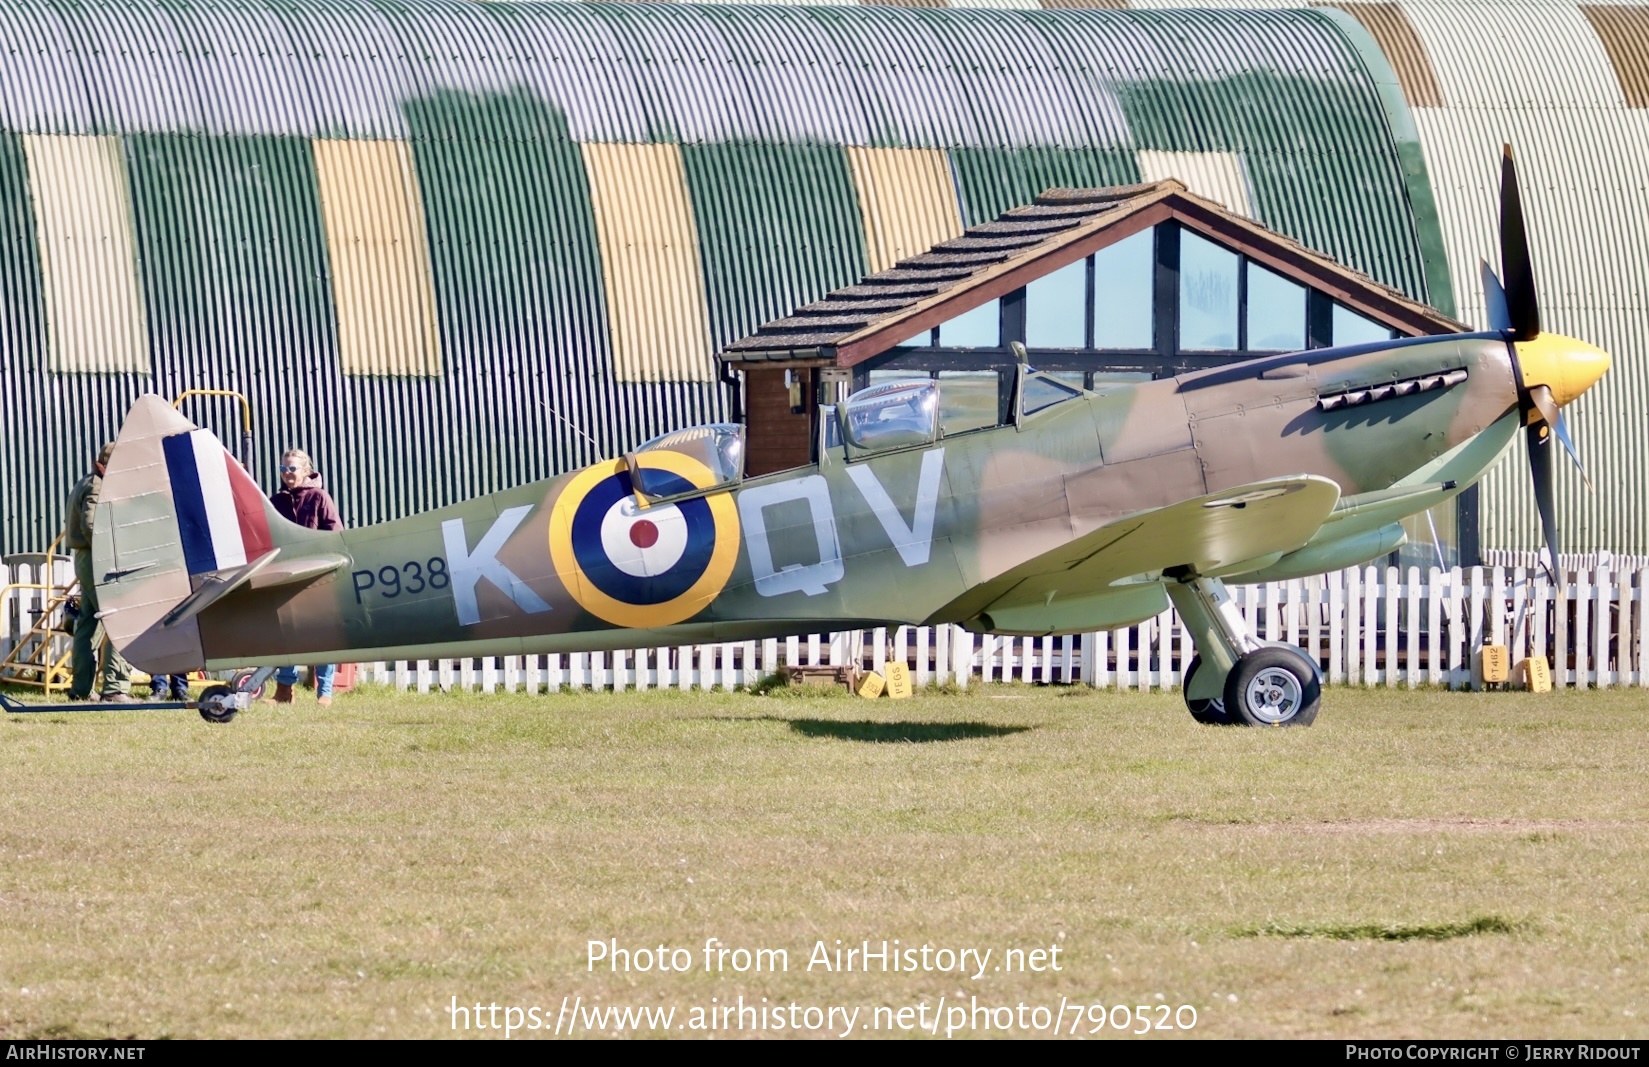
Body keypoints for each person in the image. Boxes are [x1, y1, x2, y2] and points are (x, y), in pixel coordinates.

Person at [269, 448, 343, 706]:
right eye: (283, 469)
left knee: (322, 633)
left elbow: (335, 534)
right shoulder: (275, 502)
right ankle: (284, 691)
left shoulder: (319, 497)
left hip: (317, 575)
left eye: (292, 468)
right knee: (285, 633)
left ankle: (324, 692)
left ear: (306, 471)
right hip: (286, 575)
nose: (287, 474)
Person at [63, 442, 134, 703]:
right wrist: (112, 553)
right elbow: (91, 524)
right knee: (120, 620)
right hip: (98, 559)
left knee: (88, 623)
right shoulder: (98, 486)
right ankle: (115, 688)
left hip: (86, 558)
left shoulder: (86, 482)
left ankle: (81, 689)